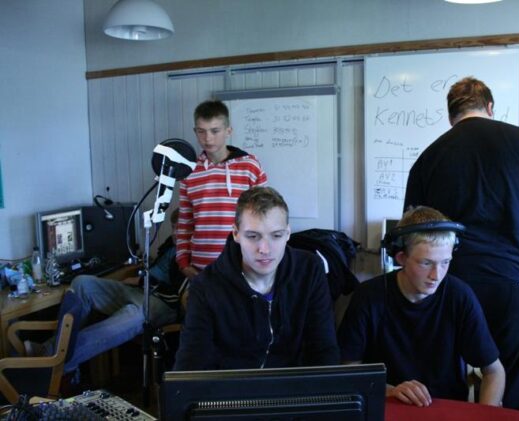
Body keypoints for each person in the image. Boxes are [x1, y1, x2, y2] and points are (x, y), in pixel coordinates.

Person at [402, 77, 519, 409]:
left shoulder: (429, 156)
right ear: (490, 107)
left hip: (454, 284)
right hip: (518, 284)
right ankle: (512, 408)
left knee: (445, 369)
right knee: (516, 372)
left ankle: (449, 409)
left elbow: (415, 228)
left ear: (451, 115)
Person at [338, 206, 505, 407]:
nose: (437, 275)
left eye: (445, 262)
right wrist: (390, 390)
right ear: (401, 258)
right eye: (426, 263)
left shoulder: (459, 296)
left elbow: (494, 372)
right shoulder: (368, 296)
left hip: (446, 409)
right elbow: (348, 370)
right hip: (388, 405)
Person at [174, 186, 340, 370]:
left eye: (276, 236)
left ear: (287, 234)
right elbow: (191, 365)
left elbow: (324, 350)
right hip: (232, 386)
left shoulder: (309, 271)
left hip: (294, 385)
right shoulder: (206, 287)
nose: (264, 249)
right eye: (253, 236)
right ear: (236, 233)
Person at [26, 209, 186, 373]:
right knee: (82, 283)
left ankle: (51, 360)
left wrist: (138, 281)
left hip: (162, 304)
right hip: (141, 291)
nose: (175, 233)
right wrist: (138, 281)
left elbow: (176, 293)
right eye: (173, 227)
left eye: (180, 228)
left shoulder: (190, 253)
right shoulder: (170, 245)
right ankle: (52, 348)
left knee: (130, 317)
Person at [176, 100, 268, 280]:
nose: (208, 138)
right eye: (201, 131)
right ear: (195, 131)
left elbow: (264, 218)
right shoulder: (188, 171)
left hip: (242, 266)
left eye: (215, 131)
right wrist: (183, 263)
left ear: (228, 131)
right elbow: (185, 222)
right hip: (200, 269)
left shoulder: (250, 166)